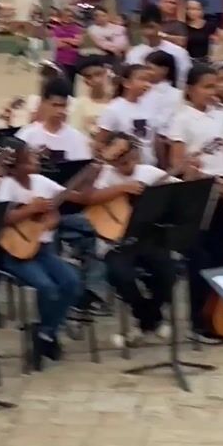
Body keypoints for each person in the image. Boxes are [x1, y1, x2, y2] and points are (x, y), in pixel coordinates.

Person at [168, 62, 223, 343]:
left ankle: (220, 316)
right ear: (190, 89)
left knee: (222, 256)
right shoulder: (182, 119)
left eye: (215, 86)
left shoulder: (220, 116)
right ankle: (198, 322)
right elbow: (177, 164)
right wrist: (199, 175)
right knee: (200, 259)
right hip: (197, 197)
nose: (213, 91)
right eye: (207, 86)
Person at [80, 133, 174, 346]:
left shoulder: (150, 172)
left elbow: (178, 189)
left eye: (127, 153)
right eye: (118, 156)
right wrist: (122, 188)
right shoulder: (104, 175)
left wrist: (192, 172)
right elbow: (88, 197)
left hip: (147, 239)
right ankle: (151, 318)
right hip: (114, 243)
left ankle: (147, 318)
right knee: (120, 274)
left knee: (168, 271)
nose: (124, 160)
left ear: (136, 152)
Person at [0, 138, 82, 363]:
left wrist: (53, 219)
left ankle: (45, 332)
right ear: (15, 166)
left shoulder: (41, 182)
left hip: (43, 249)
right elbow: (2, 218)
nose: (35, 160)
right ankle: (47, 336)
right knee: (47, 287)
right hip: (16, 253)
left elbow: (71, 199)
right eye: (28, 159)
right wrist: (30, 209)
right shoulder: (7, 186)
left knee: (71, 282)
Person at [15, 78, 90, 163]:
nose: (59, 111)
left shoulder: (77, 138)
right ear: (44, 103)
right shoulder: (27, 134)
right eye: (55, 105)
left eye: (63, 105)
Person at [97, 64, 156, 164]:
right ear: (127, 83)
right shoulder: (114, 109)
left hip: (148, 164)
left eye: (149, 81)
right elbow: (100, 141)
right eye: (142, 79)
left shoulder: (149, 106)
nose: (147, 84)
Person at [126, 6, 191, 85]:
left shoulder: (178, 52)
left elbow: (183, 80)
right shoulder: (134, 53)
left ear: (160, 26)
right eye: (144, 27)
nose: (148, 32)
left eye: (151, 27)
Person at [141, 50, 182, 166]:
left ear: (164, 70)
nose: (146, 72)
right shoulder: (143, 91)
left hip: (162, 146)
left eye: (149, 68)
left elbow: (163, 124)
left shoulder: (176, 95)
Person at [68, 55, 112, 141]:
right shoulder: (78, 104)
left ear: (106, 73)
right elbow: (74, 133)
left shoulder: (117, 102)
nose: (95, 80)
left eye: (98, 74)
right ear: (85, 81)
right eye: (89, 76)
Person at [50, 6, 84, 91]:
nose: (69, 18)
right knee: (61, 84)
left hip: (73, 61)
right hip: (60, 61)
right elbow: (58, 44)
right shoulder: (57, 29)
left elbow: (78, 43)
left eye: (71, 16)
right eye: (66, 16)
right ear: (61, 17)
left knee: (71, 85)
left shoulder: (77, 29)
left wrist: (64, 40)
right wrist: (70, 41)